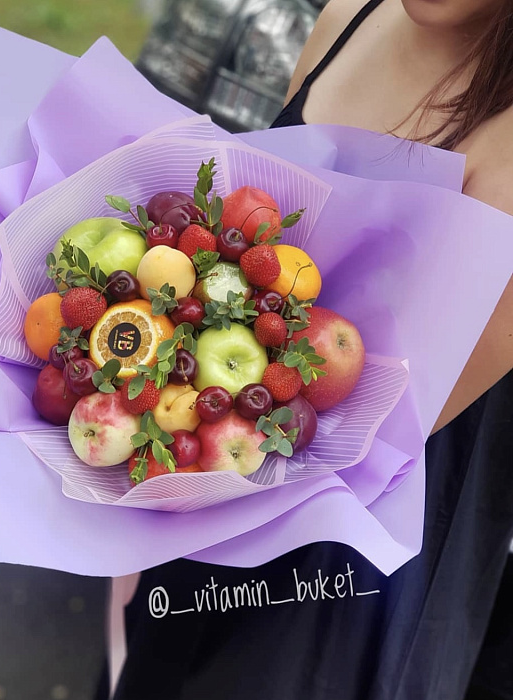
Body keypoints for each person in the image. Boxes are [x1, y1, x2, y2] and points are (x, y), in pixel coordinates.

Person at [108, 1, 513, 698]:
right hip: (214, 477)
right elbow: (250, 257)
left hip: (347, 587)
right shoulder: (348, 19)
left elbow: (384, 429)